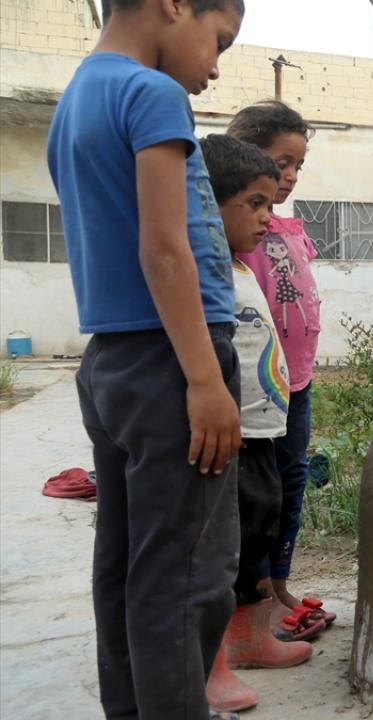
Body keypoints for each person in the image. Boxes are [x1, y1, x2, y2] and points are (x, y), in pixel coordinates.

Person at [45, 0, 245, 716]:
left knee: (127, 564)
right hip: (172, 360)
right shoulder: (149, 91)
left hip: (112, 361)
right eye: (218, 40)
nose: (214, 68)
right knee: (188, 575)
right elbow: (163, 249)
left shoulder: (75, 100)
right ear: (174, 5)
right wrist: (204, 378)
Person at [198, 134, 313, 715]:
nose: (267, 217)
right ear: (208, 203)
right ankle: (211, 662)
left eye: (269, 204)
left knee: (257, 534)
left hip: (262, 430)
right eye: (254, 203)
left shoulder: (241, 266)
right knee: (221, 549)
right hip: (230, 434)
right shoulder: (206, 270)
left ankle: (250, 639)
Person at [226, 102, 335, 638]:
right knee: (258, 495)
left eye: (298, 166)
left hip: (296, 382)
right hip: (255, 390)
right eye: (281, 162)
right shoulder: (239, 231)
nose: (290, 176)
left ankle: (280, 583)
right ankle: (253, 596)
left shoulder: (287, 227)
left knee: (291, 481)